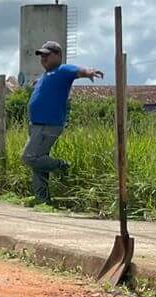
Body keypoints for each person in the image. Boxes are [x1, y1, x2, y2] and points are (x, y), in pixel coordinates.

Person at [21, 40, 104, 204]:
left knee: (29, 157)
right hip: (36, 125)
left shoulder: (62, 69)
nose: (43, 58)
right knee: (39, 163)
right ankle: (42, 199)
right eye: (41, 55)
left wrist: (89, 72)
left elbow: (79, 71)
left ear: (58, 55)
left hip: (48, 124)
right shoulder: (45, 75)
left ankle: (62, 166)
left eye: (46, 55)